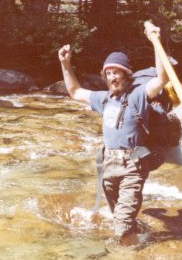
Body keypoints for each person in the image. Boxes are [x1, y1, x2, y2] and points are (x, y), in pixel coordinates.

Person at [58, 22, 169, 246]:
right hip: (108, 165)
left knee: (122, 222)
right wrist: (65, 64)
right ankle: (134, 243)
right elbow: (75, 91)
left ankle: (130, 253)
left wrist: (156, 43)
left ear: (126, 75)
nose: (112, 77)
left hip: (133, 166)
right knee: (119, 217)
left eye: (116, 72)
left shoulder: (138, 95)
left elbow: (161, 79)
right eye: (108, 73)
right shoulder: (103, 99)